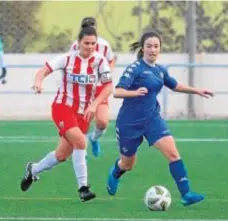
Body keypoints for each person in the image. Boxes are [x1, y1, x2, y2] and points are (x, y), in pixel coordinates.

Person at [106, 31, 214, 206]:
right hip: (129, 123)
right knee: (128, 164)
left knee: (173, 153)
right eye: (149, 46)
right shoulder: (135, 68)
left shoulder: (160, 70)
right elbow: (117, 92)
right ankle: (116, 172)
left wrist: (197, 90)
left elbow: (175, 85)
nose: (152, 49)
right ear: (143, 48)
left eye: (156, 46)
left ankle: (186, 194)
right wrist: (134, 93)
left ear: (160, 49)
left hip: (152, 119)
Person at [20, 26, 113, 202]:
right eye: (86, 43)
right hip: (63, 107)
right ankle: (83, 188)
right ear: (78, 43)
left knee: (61, 155)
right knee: (80, 141)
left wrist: (94, 105)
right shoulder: (67, 59)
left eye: (93, 43)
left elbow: (108, 86)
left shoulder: (100, 61)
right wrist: (38, 82)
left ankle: (33, 170)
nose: (90, 46)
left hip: (84, 113)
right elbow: (44, 70)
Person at [70, 17, 115, 157]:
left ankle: (94, 139)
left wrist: (105, 73)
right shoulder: (75, 46)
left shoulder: (104, 45)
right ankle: (81, 150)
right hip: (82, 89)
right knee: (81, 123)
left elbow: (111, 61)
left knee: (102, 122)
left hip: (100, 89)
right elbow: (69, 65)